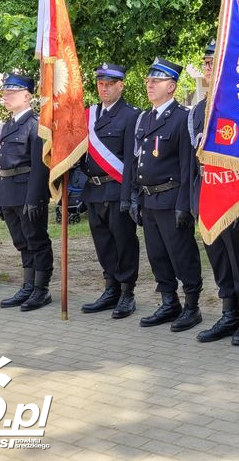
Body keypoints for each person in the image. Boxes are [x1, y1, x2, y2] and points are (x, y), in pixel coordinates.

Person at [192, 41, 239, 346]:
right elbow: (189, 161)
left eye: (214, 63)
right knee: (218, 257)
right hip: (207, 196)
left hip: (234, 195)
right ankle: (229, 311)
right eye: (206, 64)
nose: (209, 69)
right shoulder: (197, 110)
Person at [132, 57, 203, 332]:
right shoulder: (144, 118)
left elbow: (188, 167)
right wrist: (136, 197)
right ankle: (168, 301)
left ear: (171, 86)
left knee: (181, 253)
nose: (149, 84)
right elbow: (138, 161)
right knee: (157, 255)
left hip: (172, 198)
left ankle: (192, 305)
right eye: (149, 80)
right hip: (149, 199)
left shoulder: (182, 118)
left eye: (156, 80)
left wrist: (184, 205)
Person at [79, 63, 141, 319]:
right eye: (100, 84)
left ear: (120, 85)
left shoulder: (131, 115)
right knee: (103, 243)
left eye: (109, 84)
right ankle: (111, 288)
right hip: (94, 190)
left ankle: (127, 293)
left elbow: (130, 161)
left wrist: (128, 195)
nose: (103, 88)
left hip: (116, 189)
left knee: (123, 242)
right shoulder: (90, 114)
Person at [0, 73, 53, 311]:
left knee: (36, 240)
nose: (5, 97)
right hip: (8, 192)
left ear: (27, 96)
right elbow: (0, 163)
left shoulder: (35, 125)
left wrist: (35, 198)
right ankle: (28, 286)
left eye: (11, 93)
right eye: (5, 93)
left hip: (27, 192)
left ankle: (41, 289)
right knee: (21, 242)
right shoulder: (7, 125)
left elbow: (40, 167)